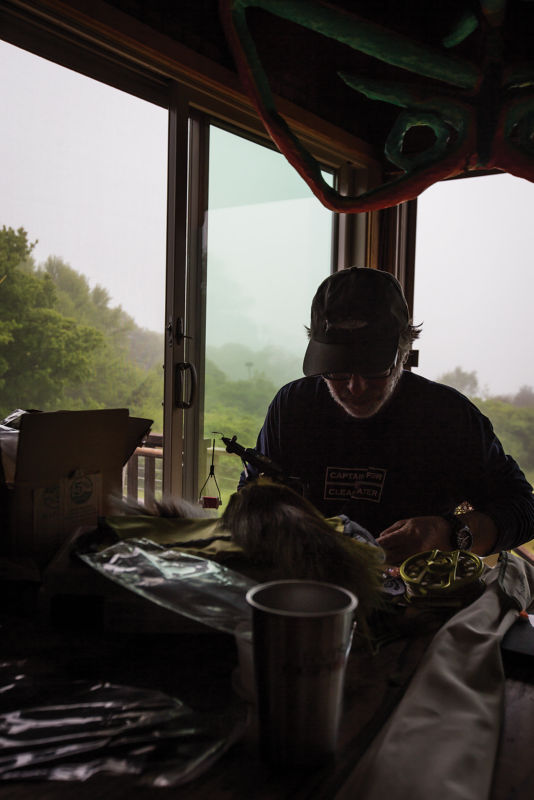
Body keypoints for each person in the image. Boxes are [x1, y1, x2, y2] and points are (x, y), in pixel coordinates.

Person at [239, 267, 534, 564]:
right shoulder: (293, 407)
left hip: (414, 595)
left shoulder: (445, 417)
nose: (355, 387)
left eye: (373, 368)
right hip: (310, 584)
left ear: (404, 352)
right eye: (338, 369)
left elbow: (524, 507)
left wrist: (452, 533)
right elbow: (251, 498)